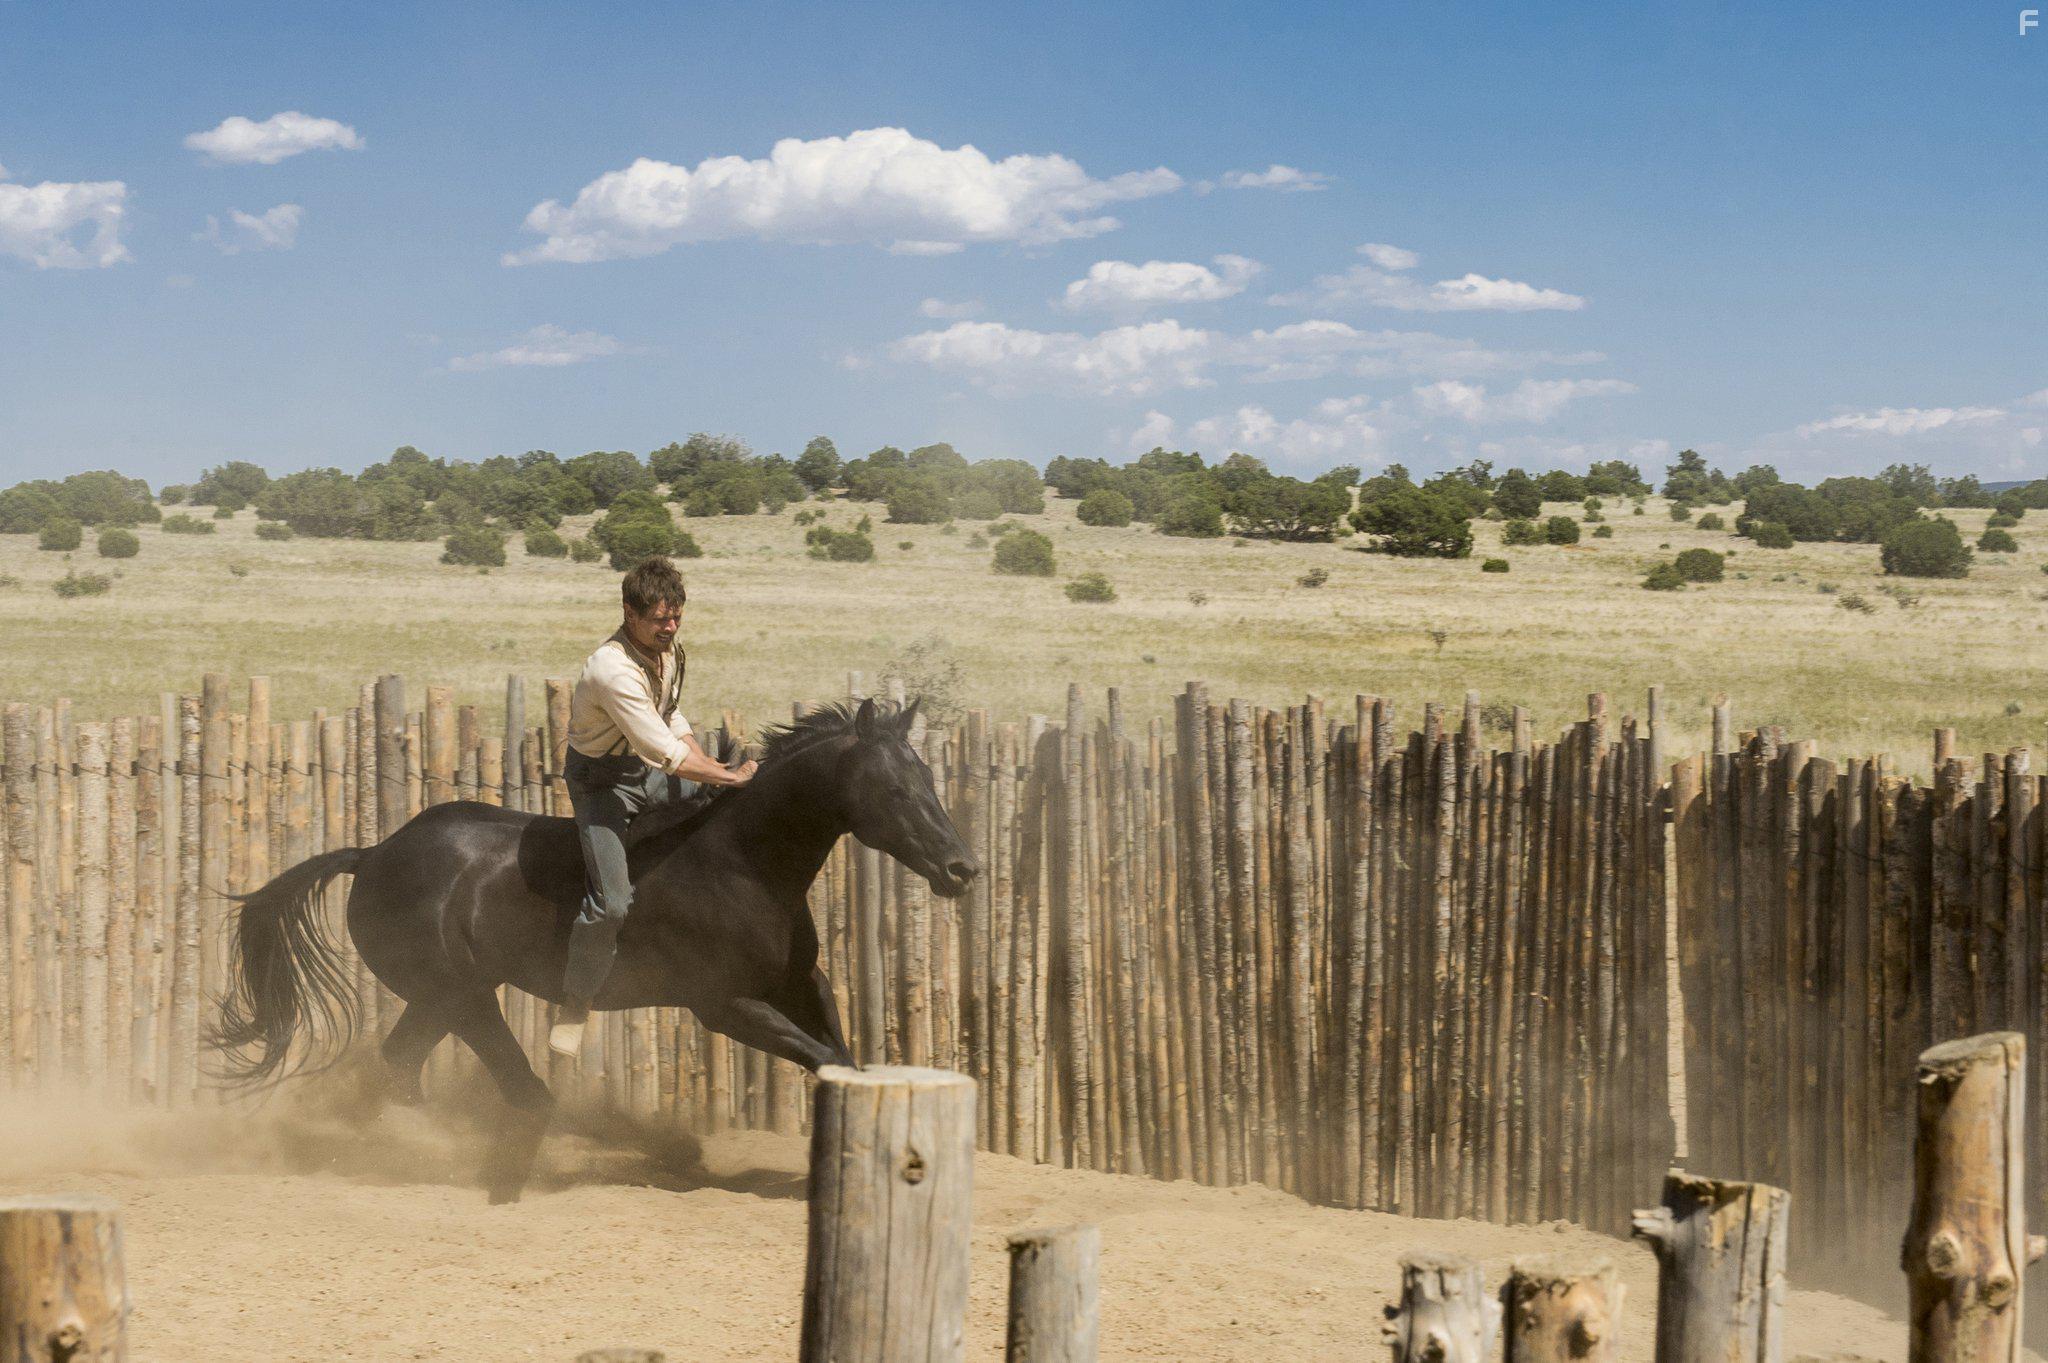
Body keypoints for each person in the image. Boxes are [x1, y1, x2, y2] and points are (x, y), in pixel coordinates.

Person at [549, 555, 756, 1058]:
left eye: (676, 616)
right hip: (601, 784)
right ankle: (576, 1004)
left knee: (718, 809)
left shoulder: (666, 652)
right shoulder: (611, 669)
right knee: (612, 902)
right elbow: (665, 752)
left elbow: (671, 714)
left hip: (643, 769)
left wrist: (712, 772)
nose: (671, 626)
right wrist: (727, 775)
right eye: (660, 618)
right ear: (629, 613)